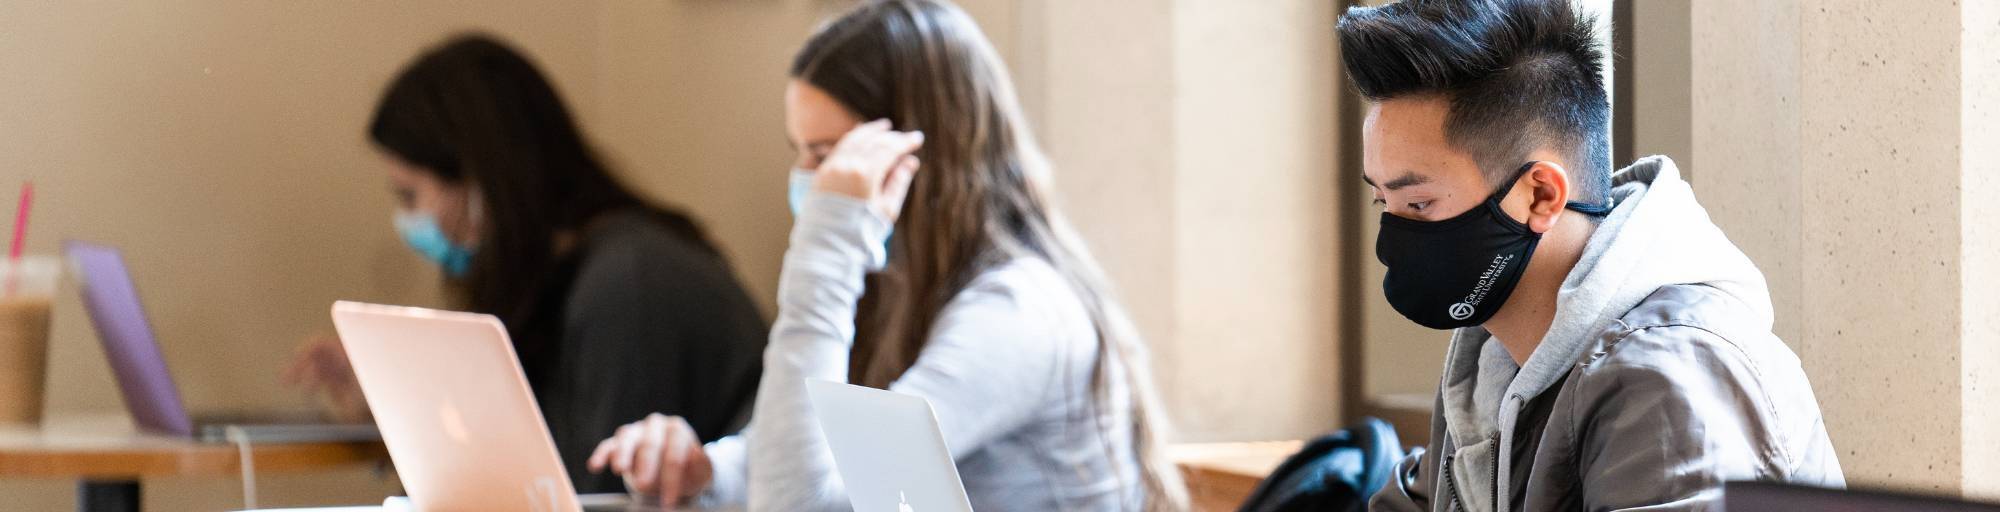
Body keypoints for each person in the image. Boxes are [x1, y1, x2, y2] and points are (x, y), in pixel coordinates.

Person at [584, 1, 1188, 510]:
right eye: (800, 152)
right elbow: (818, 457)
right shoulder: (900, 284)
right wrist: (708, 469)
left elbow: (800, 504)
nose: (809, 183)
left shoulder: (1018, 314)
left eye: (827, 156)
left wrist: (827, 247)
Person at [1338, 1, 1846, 510]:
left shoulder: (1670, 378)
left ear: (1540, 195)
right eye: (1384, 201)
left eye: (1419, 204)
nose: (1392, 235)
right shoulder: (1490, 364)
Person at [281, 34, 768, 495]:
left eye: (411, 195)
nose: (407, 221)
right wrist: (386, 412)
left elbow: (595, 491)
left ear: (481, 182)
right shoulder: (562, 282)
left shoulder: (628, 283)